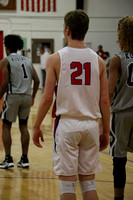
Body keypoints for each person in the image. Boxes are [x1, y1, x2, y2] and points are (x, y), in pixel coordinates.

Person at [33, 10, 110, 200]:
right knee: (88, 183)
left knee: (67, 184)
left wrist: (36, 126)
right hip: (91, 125)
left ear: (66, 29)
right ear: (86, 30)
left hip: (68, 124)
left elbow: (47, 97)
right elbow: (105, 100)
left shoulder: (55, 59)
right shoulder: (99, 61)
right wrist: (106, 130)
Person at [0, 34, 40, 169]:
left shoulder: (5, 61)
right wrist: (33, 96)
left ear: (6, 47)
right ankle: (24, 159)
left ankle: (8, 159)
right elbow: (37, 80)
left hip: (13, 96)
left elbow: (5, 83)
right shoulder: (27, 61)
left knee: (6, 126)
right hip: (26, 96)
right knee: (24, 127)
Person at [108, 16, 133, 200]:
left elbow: (109, 92)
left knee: (119, 158)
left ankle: (119, 198)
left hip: (122, 114)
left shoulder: (117, 59)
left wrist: (103, 114)